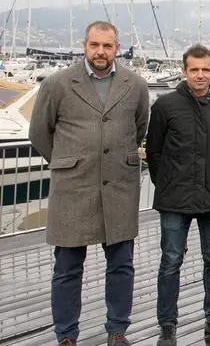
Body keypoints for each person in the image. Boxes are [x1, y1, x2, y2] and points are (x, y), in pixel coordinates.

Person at [29, 21, 150, 346]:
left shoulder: (136, 85)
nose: (101, 51)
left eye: (107, 46)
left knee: (121, 266)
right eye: (95, 45)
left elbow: (139, 128)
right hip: (73, 190)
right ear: (85, 45)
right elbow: (39, 132)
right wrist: (68, 162)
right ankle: (66, 335)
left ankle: (117, 331)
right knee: (67, 268)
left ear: (117, 47)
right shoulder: (57, 84)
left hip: (120, 191)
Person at [146, 45, 210, 344]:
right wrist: (167, 183)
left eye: (206, 70)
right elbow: (154, 151)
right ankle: (167, 326)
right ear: (184, 72)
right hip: (175, 199)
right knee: (171, 261)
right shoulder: (165, 106)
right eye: (194, 70)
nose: (200, 75)